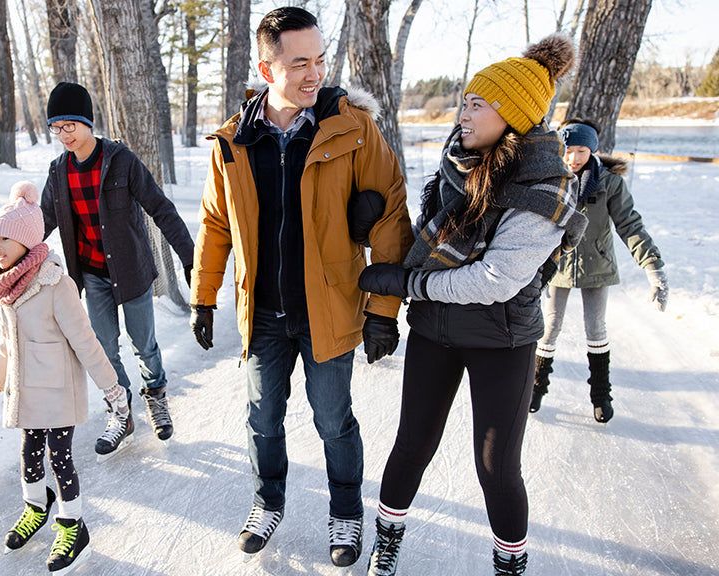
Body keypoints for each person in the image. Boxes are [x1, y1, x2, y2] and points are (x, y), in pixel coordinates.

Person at [188, 6, 413, 568]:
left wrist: (384, 308)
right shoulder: (233, 142)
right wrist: (203, 295)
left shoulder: (353, 129)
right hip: (263, 311)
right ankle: (268, 503)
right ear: (268, 69)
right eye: (298, 63)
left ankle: (345, 513)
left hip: (328, 308)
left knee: (333, 419)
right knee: (262, 418)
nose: (314, 74)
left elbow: (390, 217)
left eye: (319, 60)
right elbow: (217, 223)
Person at [355, 35, 587, 576]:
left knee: (496, 466)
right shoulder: (459, 160)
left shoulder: (543, 187)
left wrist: (408, 284)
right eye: (464, 101)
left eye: (476, 105)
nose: (463, 114)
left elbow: (495, 279)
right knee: (411, 445)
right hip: (436, 331)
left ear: (513, 115)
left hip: (502, 339)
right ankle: (386, 545)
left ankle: (510, 564)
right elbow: (430, 235)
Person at [0, 181, 128, 573]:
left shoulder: (56, 283)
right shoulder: (3, 287)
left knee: (59, 459)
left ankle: (73, 526)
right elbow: (8, 347)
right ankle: (35, 508)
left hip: (58, 393)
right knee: (28, 455)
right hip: (26, 393)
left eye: (6, 239)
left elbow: (86, 341)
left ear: (27, 241)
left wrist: (112, 388)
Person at [39, 81, 195, 456]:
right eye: (55, 128)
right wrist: (9, 252)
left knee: (144, 344)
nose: (63, 135)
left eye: (69, 126)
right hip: (91, 273)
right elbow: (41, 222)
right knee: (104, 347)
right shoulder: (59, 171)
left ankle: (155, 397)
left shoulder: (121, 161)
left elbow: (160, 208)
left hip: (132, 271)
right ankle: (120, 411)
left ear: (86, 123)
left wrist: (191, 259)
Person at [530, 118, 668, 422]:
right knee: (549, 327)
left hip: (597, 263)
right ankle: (536, 389)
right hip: (558, 264)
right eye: (568, 150)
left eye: (581, 151)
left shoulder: (609, 183)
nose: (574, 158)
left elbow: (630, 226)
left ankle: (601, 395)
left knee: (596, 329)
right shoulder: (552, 178)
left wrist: (653, 269)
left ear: (592, 150)